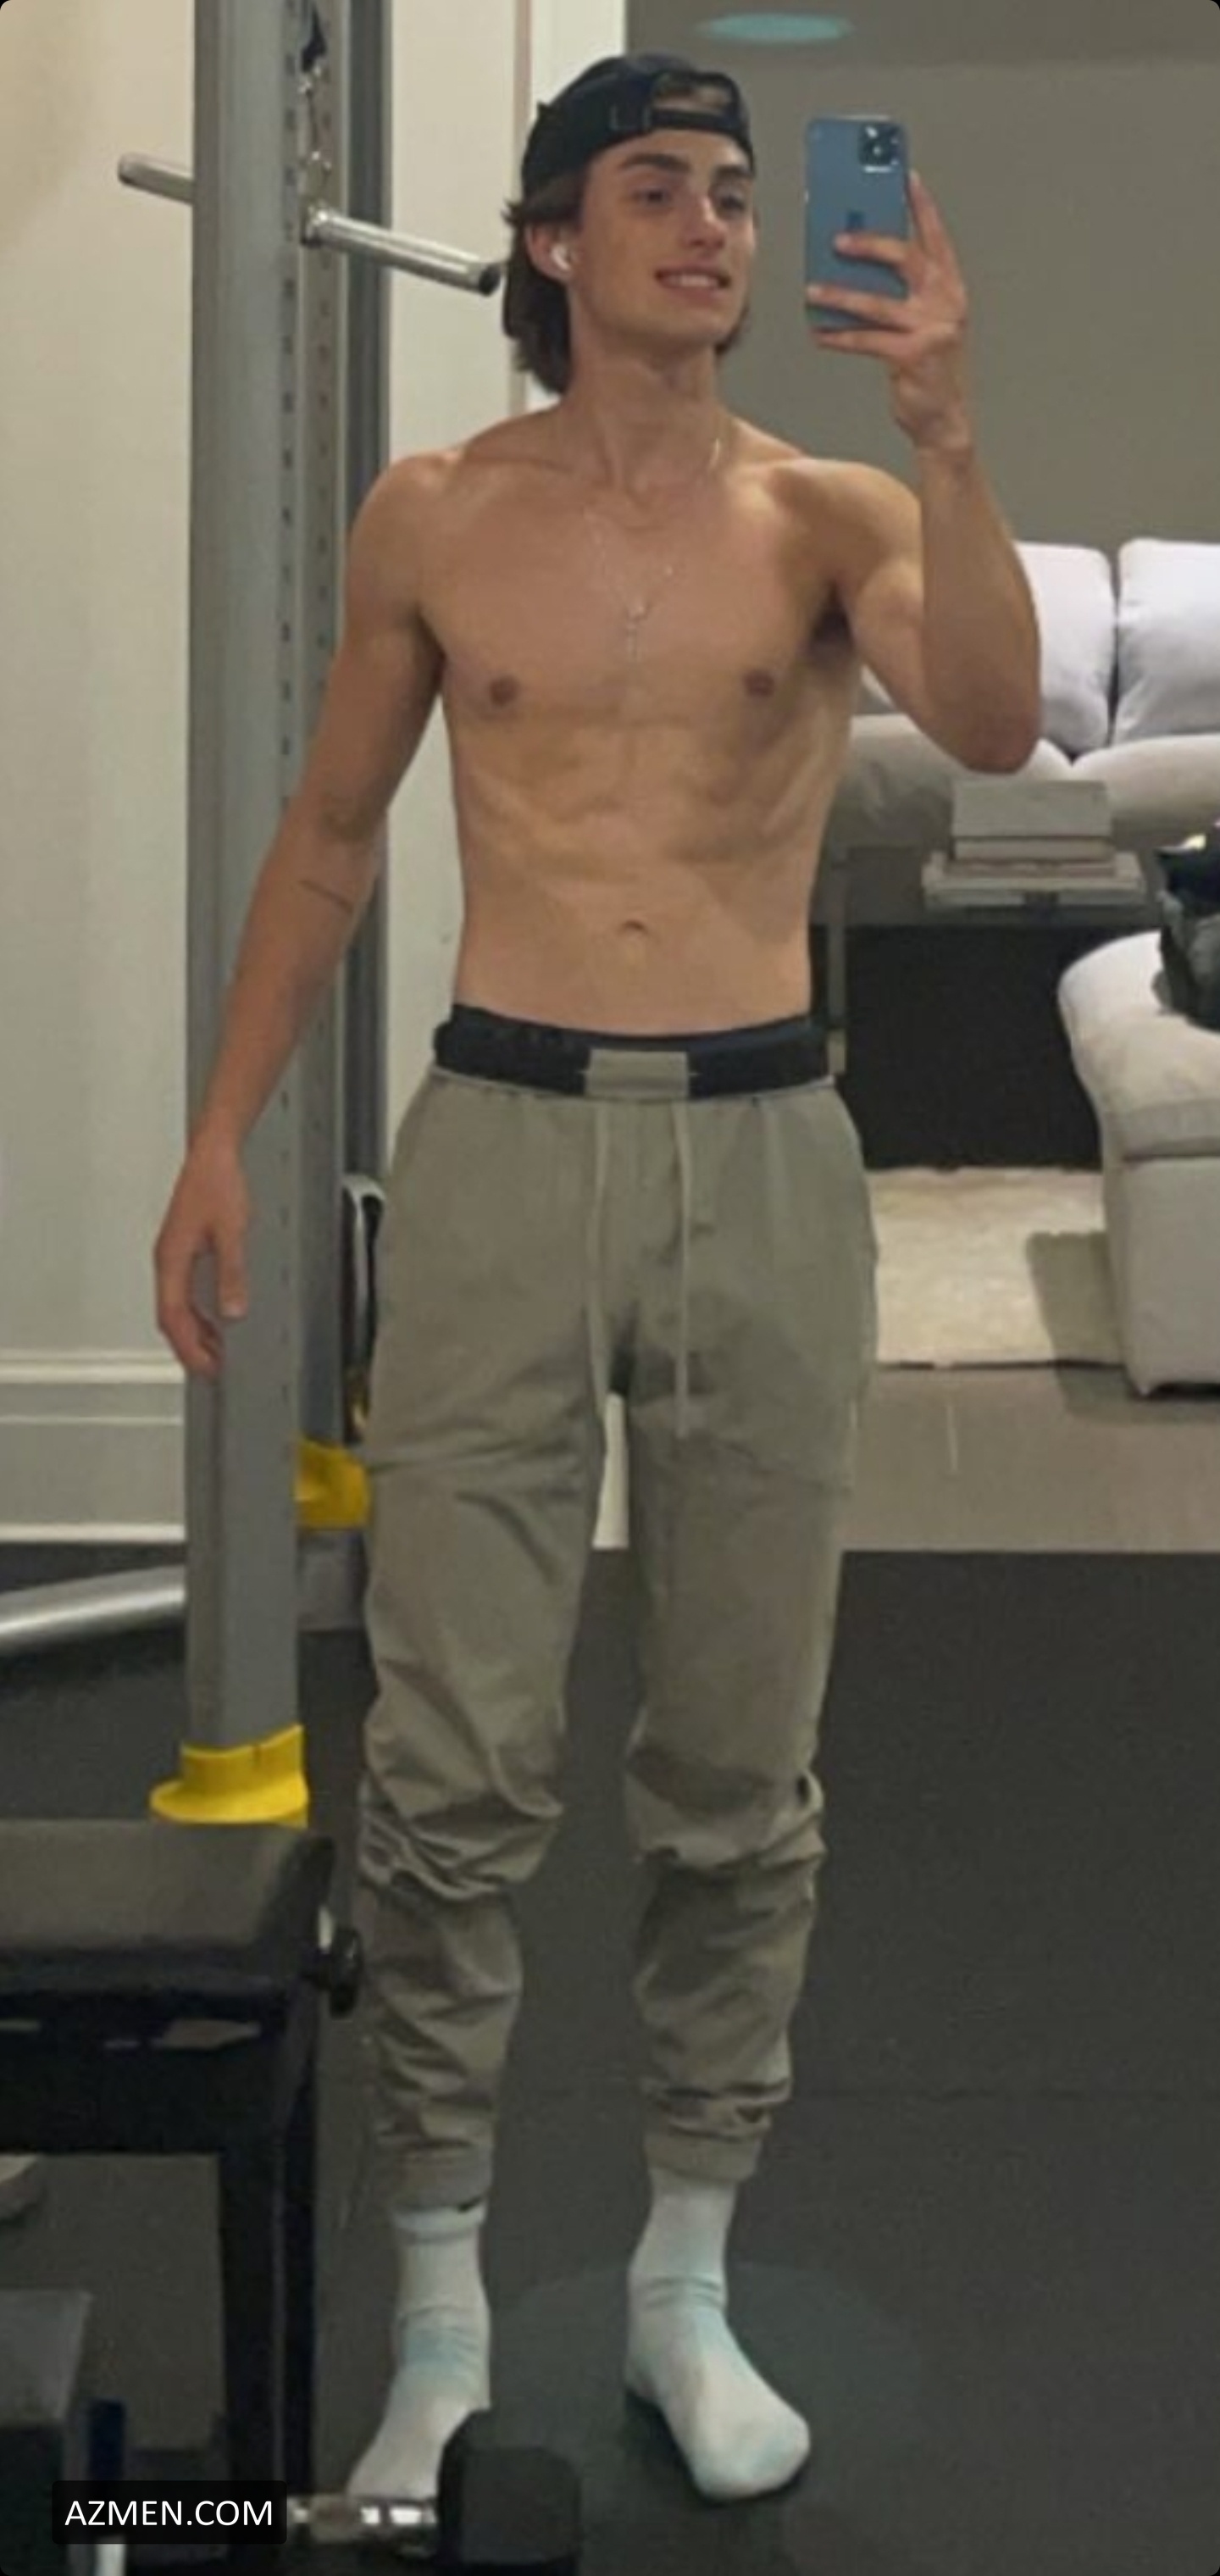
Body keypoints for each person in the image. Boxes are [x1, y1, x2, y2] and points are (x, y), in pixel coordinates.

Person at [155, 51, 1040, 2511]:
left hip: (764, 1148)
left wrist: (950, 432)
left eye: (735, 192)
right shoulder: (437, 512)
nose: (713, 224)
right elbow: (332, 839)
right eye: (657, 188)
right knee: (453, 1770)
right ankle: (443, 2300)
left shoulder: (834, 511)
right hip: (502, 1145)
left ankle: (682, 2280)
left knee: (739, 1772)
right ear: (551, 240)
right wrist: (224, 1134)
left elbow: (993, 723)